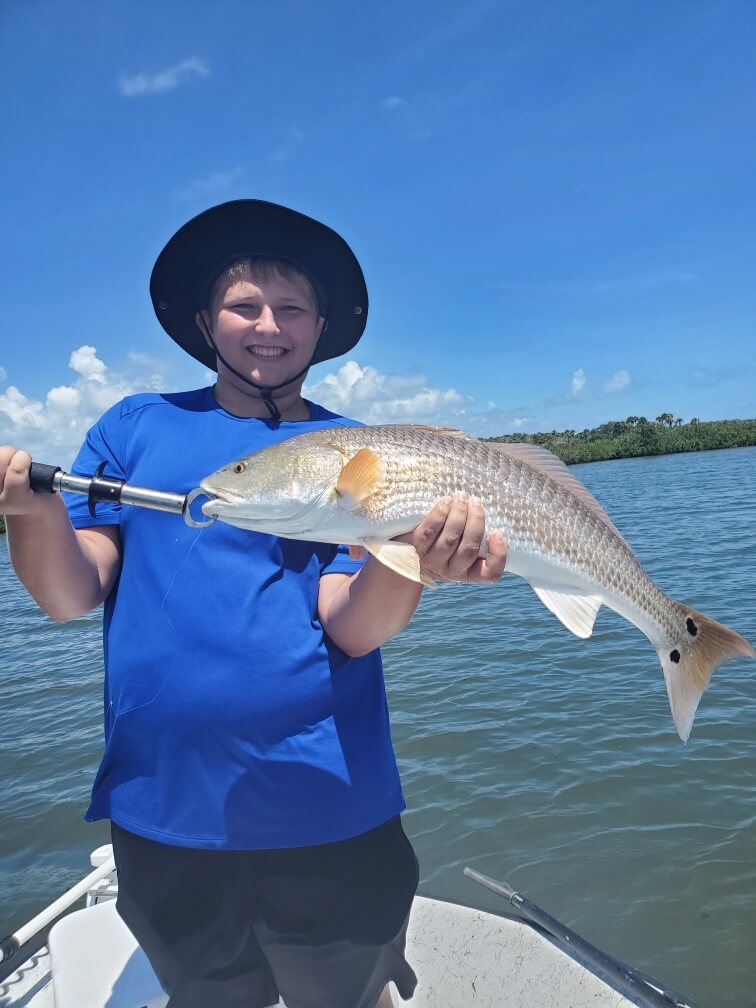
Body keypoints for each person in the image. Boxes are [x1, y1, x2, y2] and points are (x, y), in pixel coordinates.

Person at [0, 199, 507, 1008]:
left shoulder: (364, 453)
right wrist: (29, 513)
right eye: (244, 305)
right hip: (163, 810)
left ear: (319, 328)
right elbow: (72, 592)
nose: (267, 324)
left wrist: (415, 558)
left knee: (346, 994)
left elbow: (353, 622)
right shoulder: (135, 426)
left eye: (291, 307)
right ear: (206, 321)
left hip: (330, 806)